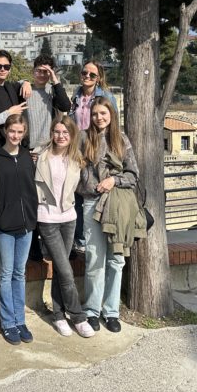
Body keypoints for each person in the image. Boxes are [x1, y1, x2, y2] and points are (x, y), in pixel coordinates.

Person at [78, 97, 139, 334]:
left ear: (111, 114)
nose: (99, 118)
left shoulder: (121, 140)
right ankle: (92, 310)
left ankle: (111, 311)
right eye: (95, 114)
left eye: (103, 113)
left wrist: (114, 180)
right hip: (92, 203)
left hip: (117, 204)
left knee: (116, 259)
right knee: (95, 257)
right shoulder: (84, 138)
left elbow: (133, 174)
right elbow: (74, 168)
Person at [35, 115, 94, 338]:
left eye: (65, 133)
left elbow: (84, 185)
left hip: (69, 219)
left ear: (72, 135)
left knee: (62, 269)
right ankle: (78, 317)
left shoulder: (76, 158)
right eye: (57, 132)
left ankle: (59, 316)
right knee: (66, 270)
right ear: (52, 133)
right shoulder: (40, 157)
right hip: (47, 219)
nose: (61, 136)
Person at [0, 114, 37, 345]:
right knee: (6, 273)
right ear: (5, 131)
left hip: (27, 224)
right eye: (12, 131)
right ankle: (8, 322)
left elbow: (31, 188)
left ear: (24, 133)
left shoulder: (27, 156)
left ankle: (20, 319)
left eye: (19, 132)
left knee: (20, 273)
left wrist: (32, 214)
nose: (15, 135)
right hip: (5, 226)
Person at [69, 60, 118, 253]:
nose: (87, 77)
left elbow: (113, 124)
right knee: (76, 195)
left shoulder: (106, 96)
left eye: (92, 75)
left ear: (99, 78)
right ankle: (80, 239)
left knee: (97, 194)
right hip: (78, 150)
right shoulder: (76, 95)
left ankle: (99, 239)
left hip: (98, 149)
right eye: (84, 73)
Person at [22, 54, 72, 153]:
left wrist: (55, 81)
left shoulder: (53, 91)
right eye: (39, 71)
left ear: (51, 73)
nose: (42, 75)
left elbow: (65, 106)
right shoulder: (24, 89)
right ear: (33, 71)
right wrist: (24, 82)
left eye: (46, 72)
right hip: (28, 146)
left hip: (49, 147)